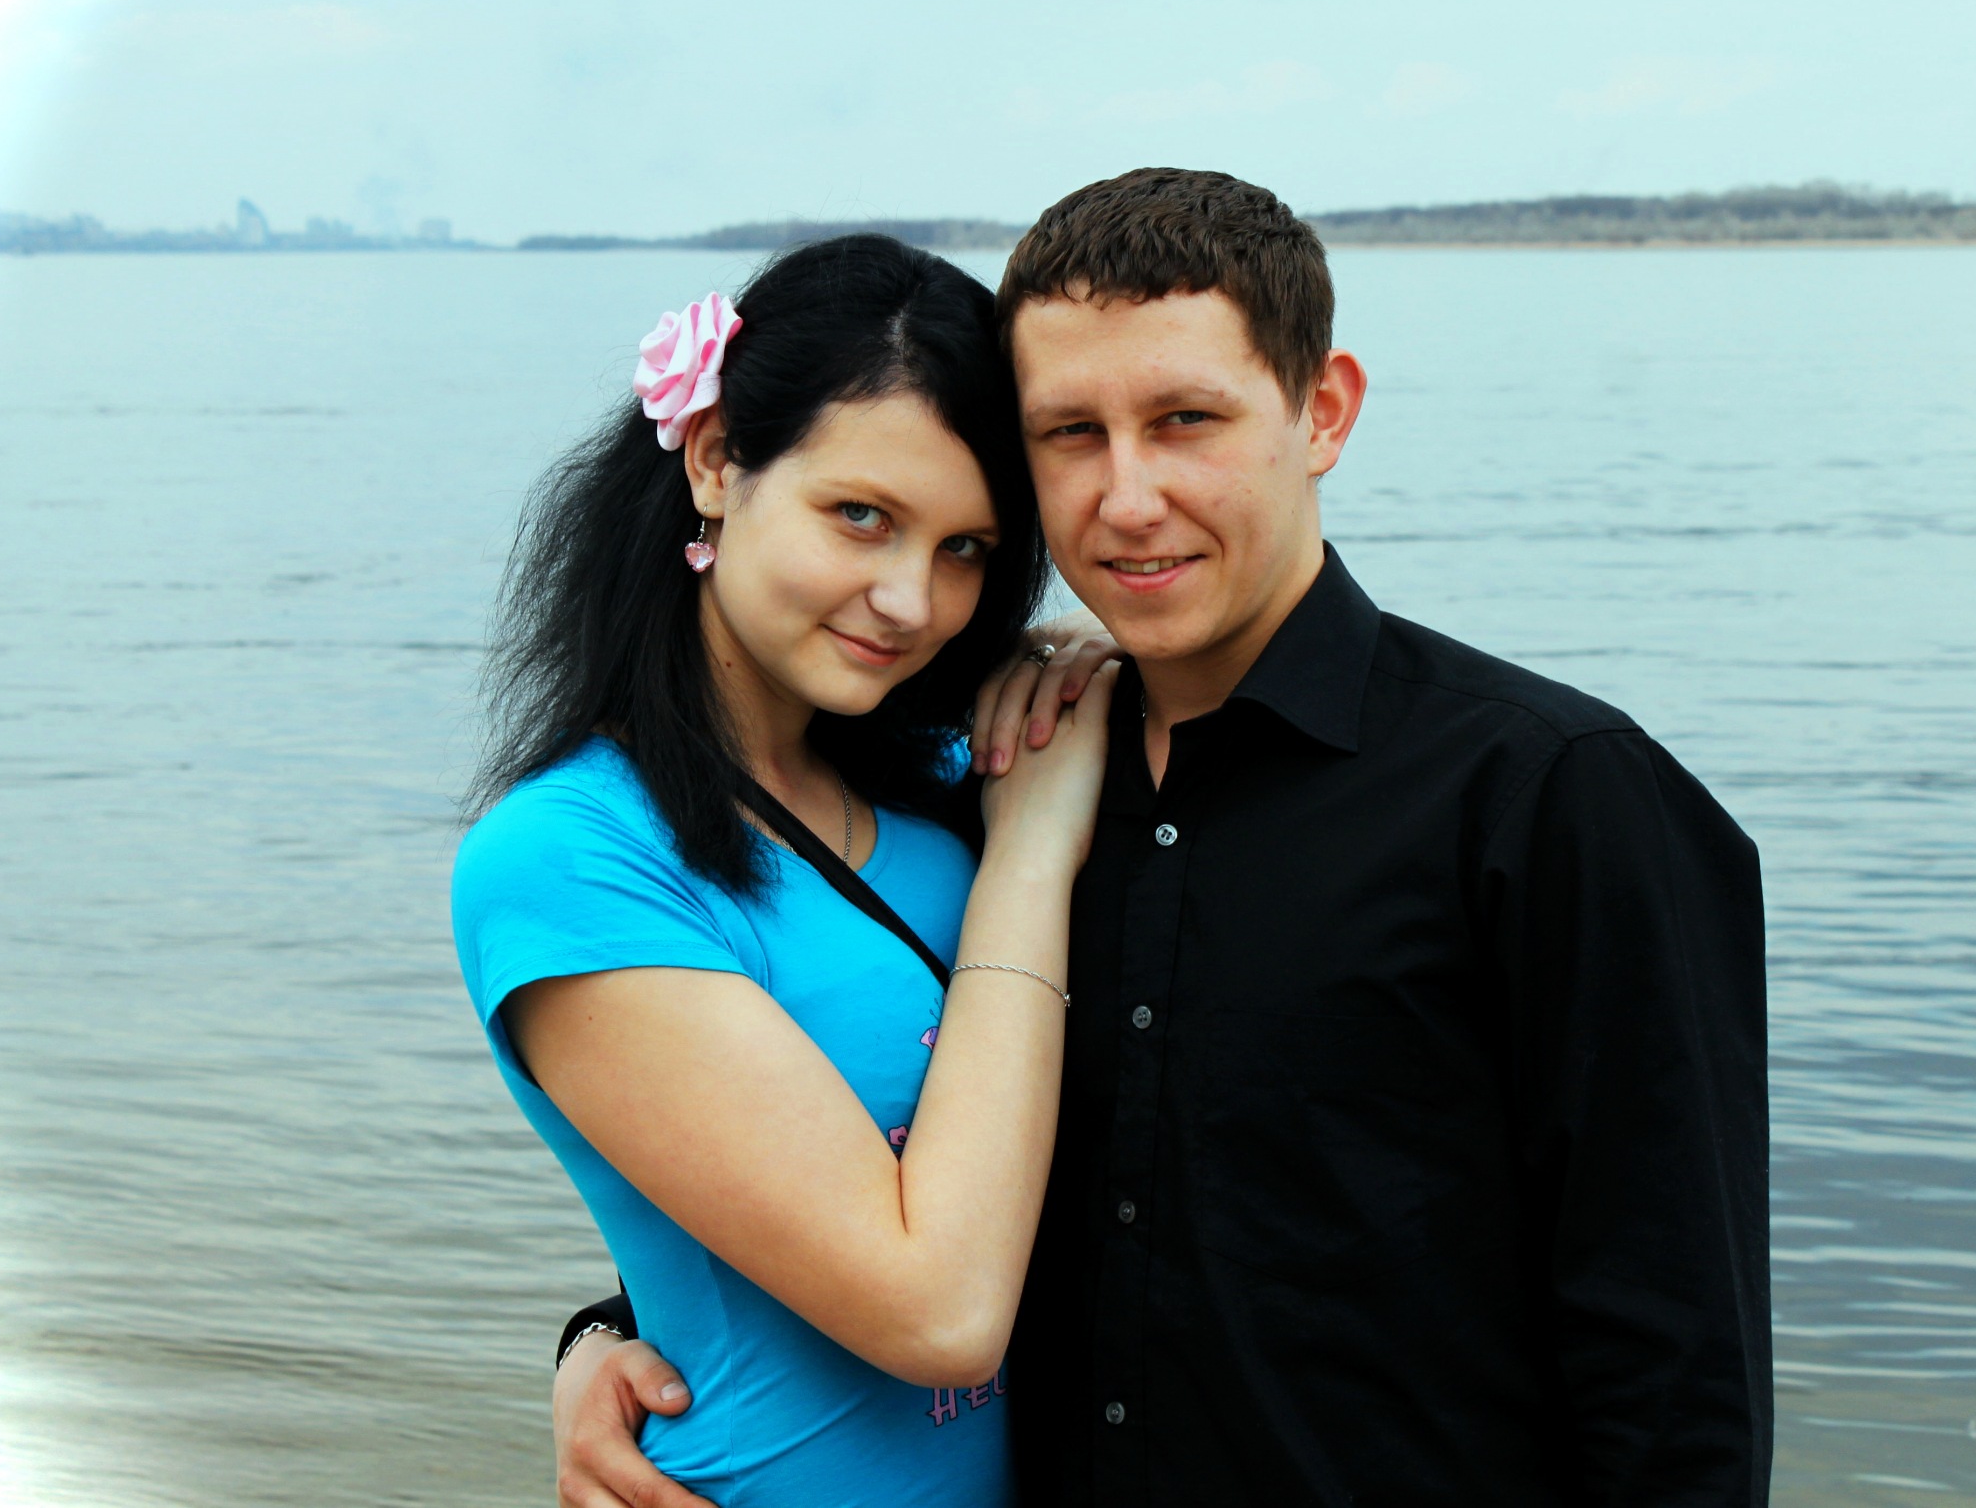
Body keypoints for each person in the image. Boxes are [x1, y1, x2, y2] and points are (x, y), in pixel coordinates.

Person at [555, 171, 1773, 1507]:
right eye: (1070, 433)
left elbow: (1674, 1380)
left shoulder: (1553, 798)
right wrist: (613, 1335)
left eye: (1185, 420)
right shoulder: (986, 788)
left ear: (1322, 411)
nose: (1127, 499)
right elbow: (879, 1154)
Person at [453, 234, 1127, 1508]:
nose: (910, 600)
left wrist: (600, 1328)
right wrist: (1033, 860)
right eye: (860, 516)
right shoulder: (572, 860)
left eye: (965, 549)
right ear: (715, 460)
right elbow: (938, 1313)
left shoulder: (954, 774)